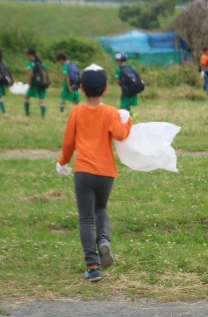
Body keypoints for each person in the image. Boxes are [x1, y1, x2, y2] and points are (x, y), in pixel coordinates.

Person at [56, 64, 132, 283]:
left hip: (84, 172)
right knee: (101, 208)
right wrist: (128, 121)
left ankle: (92, 266)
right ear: (106, 87)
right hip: (106, 172)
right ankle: (104, 240)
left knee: (86, 218)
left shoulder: (76, 111)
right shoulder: (110, 112)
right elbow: (120, 134)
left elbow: (68, 143)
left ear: (80, 88)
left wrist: (62, 162)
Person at [24, 48, 47, 119]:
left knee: (26, 97)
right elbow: (45, 72)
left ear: (30, 55)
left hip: (35, 83)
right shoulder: (41, 62)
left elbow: (31, 73)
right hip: (42, 83)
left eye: (27, 55)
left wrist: (28, 82)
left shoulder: (31, 62)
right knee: (42, 99)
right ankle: (43, 116)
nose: (27, 57)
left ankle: (27, 113)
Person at [0, 49, 14, 116]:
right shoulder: (3, 62)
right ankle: (4, 112)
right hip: (3, 82)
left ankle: (4, 112)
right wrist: (12, 80)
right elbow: (9, 72)